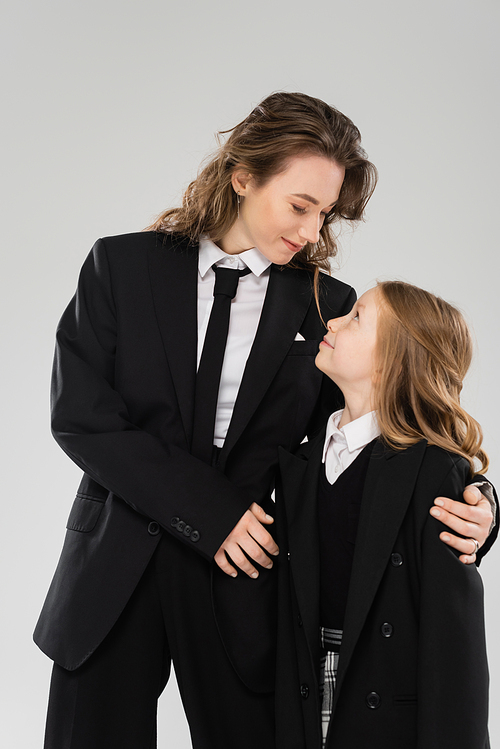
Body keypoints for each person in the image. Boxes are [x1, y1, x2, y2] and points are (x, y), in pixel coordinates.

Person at [33, 93, 495, 749]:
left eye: (325, 214)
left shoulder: (325, 307)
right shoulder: (121, 266)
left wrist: (476, 500)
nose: (312, 232)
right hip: (113, 569)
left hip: (245, 586)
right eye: (300, 206)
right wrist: (210, 510)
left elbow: (377, 437)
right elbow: (80, 417)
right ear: (243, 176)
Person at [275, 281, 494, 749]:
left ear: (393, 361)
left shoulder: (434, 471)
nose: (332, 321)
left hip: (386, 712)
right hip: (303, 698)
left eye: (356, 317)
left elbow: (455, 649)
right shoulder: (299, 462)